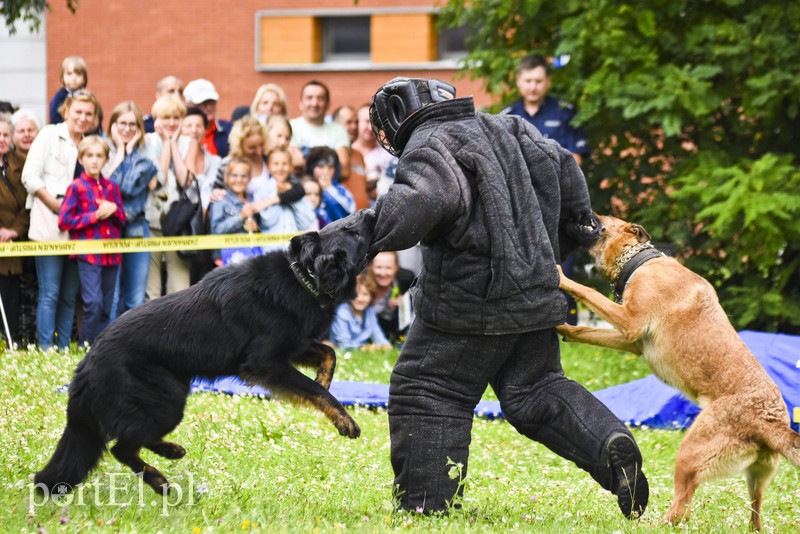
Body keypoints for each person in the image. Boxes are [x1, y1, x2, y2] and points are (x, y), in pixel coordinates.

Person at [352, 77, 649, 516]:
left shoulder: (431, 141)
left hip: (471, 301)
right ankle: (608, 443)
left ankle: (426, 506)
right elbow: (563, 164)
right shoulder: (509, 126)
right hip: (533, 291)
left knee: (427, 389)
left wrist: (342, 243)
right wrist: (566, 238)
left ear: (401, 115)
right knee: (535, 388)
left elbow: (419, 201)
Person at [502, 53, 589, 326]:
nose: (533, 86)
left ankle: (568, 325)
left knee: (564, 264)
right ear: (518, 82)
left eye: (538, 80)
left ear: (547, 82)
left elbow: (575, 160)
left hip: (559, 204)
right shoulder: (506, 118)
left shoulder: (565, 112)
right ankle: (527, 324)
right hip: (520, 204)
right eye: (528, 80)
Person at [22, 89, 100, 350]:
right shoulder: (48, 135)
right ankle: (46, 349)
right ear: (66, 110)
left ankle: (64, 346)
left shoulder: (91, 142)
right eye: (78, 111)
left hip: (80, 230)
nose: (83, 117)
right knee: (50, 292)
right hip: (48, 223)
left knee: (69, 295)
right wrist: (55, 204)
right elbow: (29, 177)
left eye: (88, 113)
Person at [58, 136, 125, 344]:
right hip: (88, 255)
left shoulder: (112, 188)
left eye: (99, 156)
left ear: (106, 160)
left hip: (111, 255)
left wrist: (114, 210)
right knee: (93, 302)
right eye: (89, 156)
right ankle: (85, 346)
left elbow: (122, 220)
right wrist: (94, 216)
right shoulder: (76, 187)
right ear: (81, 159)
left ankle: (102, 348)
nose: (94, 161)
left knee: (107, 306)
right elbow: (64, 220)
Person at [105, 101, 159, 313]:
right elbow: (104, 186)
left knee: (135, 297)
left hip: (137, 225)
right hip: (109, 227)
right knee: (112, 295)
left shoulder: (146, 149)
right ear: (113, 125)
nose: (127, 129)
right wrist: (120, 153)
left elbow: (153, 183)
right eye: (122, 123)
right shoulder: (103, 146)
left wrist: (133, 154)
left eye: (133, 124)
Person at [144, 95, 193, 299]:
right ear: (156, 120)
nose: (171, 123)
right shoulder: (147, 141)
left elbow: (187, 181)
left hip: (178, 222)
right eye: (166, 118)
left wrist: (173, 144)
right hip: (151, 219)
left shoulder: (188, 142)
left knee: (180, 286)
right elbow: (158, 179)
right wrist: (165, 144)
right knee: (151, 288)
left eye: (176, 117)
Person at [0, 114, 30, 346]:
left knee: (11, 295)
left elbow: (26, 205)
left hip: (12, 243)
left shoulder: (20, 165)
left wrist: (12, 231)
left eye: (5, 135)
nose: (1, 139)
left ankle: (9, 342)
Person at [290, 80, 350, 180]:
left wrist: (304, 163)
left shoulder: (338, 131)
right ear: (300, 103)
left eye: (320, 98)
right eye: (309, 98)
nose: (314, 103)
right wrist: (329, 165)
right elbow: (292, 165)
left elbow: (344, 170)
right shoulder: (290, 127)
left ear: (327, 104)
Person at [254, 147, 315, 234]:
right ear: (268, 167)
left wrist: (288, 196)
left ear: (290, 167)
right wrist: (277, 194)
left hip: (292, 246)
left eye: (284, 164)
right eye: (276, 164)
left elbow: (306, 222)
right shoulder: (260, 192)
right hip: (271, 246)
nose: (280, 168)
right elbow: (267, 222)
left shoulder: (296, 191)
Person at [209, 157, 259, 263]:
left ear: (249, 178)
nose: (239, 179)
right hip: (227, 258)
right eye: (234, 175)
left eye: (243, 176)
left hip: (250, 257)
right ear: (226, 177)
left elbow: (260, 230)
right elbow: (216, 230)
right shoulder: (220, 200)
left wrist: (256, 229)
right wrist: (241, 216)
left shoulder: (253, 200)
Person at [329, 273, 391, 351]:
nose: (360, 299)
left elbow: (378, 335)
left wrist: (386, 345)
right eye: (355, 294)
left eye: (365, 294)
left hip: (361, 349)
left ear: (371, 296)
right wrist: (365, 348)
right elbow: (343, 345)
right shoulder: (342, 313)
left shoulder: (370, 312)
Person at [351, 103, 396, 203]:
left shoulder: (390, 153)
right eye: (367, 121)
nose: (371, 127)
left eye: (375, 122)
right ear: (357, 123)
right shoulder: (349, 152)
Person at [366, 251, 415, 344]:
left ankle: (400, 342)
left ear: (396, 267)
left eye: (388, 268)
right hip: (370, 330)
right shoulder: (363, 282)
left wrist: (403, 299)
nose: (383, 273)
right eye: (378, 267)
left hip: (395, 326)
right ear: (371, 267)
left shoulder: (405, 279)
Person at [333, 105, 370, 210]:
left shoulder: (358, 155)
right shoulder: (330, 155)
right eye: (349, 123)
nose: (354, 127)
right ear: (336, 126)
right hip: (342, 221)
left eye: (356, 122)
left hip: (363, 220)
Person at [183, 78, 232, 158]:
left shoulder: (229, 130)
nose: (209, 107)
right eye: (202, 103)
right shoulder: (178, 132)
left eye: (211, 102)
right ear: (189, 105)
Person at [306, 146, 354, 223]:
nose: (326, 172)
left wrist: (328, 189)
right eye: (321, 167)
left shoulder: (341, 190)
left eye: (330, 167)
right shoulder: (304, 187)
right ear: (311, 168)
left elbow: (350, 211)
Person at [48, 56, 88, 125]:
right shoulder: (59, 97)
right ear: (62, 78)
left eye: (78, 74)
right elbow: (54, 118)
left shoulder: (87, 97)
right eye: (69, 74)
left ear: (84, 79)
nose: (74, 78)